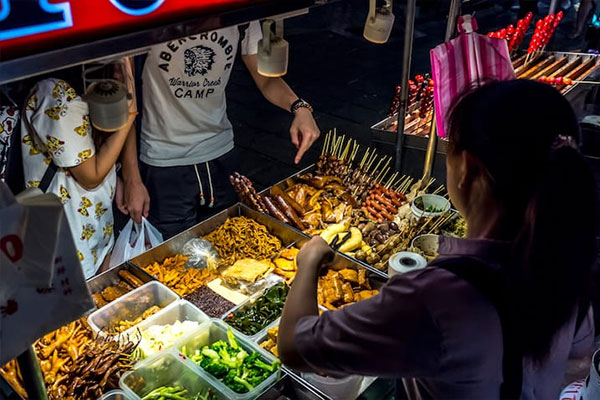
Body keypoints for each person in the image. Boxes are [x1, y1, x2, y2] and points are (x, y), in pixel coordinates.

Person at [279, 80, 598, 399]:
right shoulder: (567, 262)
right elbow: (579, 356)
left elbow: (294, 346)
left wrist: (308, 263)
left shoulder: (437, 297)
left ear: (467, 168)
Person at [128, 22, 320, 239]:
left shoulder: (242, 16)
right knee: (174, 259)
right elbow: (126, 103)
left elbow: (265, 77)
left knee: (229, 246)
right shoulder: (150, 12)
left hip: (221, 154)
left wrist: (299, 107)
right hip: (164, 161)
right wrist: (131, 179)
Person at [21, 78, 136, 278]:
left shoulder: (89, 85)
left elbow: (94, 145)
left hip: (93, 222)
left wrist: (117, 179)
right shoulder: (55, 91)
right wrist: (131, 114)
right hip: (69, 234)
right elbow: (90, 176)